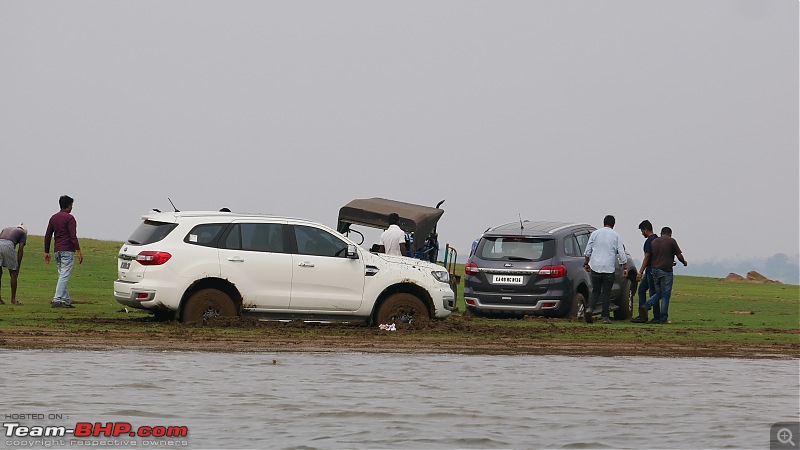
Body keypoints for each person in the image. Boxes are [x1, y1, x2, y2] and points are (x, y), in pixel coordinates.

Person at [583, 215, 628, 324]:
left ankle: (590, 309)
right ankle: (605, 317)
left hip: (595, 267)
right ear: (613, 224)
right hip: (608, 268)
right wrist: (625, 267)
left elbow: (587, 251)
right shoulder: (616, 235)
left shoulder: (595, 234)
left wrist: (586, 263)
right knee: (607, 293)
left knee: (595, 290)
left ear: (603, 223)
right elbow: (621, 252)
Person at [639, 227, 687, 324]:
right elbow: (679, 255)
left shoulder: (654, 242)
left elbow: (656, 257)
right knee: (665, 295)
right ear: (670, 233)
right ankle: (663, 318)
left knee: (659, 293)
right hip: (666, 271)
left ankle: (646, 305)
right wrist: (684, 262)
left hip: (655, 271)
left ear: (661, 233)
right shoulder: (671, 241)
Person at [44, 195, 83, 308]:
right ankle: (57, 299)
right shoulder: (70, 218)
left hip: (57, 250)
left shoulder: (53, 218)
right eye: (71, 205)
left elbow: (47, 235)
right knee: (64, 275)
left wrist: (46, 251)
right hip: (67, 250)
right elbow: (73, 236)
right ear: (69, 206)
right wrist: (78, 250)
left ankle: (65, 301)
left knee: (62, 274)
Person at [631, 220, 660, 323]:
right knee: (642, 290)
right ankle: (643, 313)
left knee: (652, 293)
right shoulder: (657, 239)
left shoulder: (649, 241)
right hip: (655, 269)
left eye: (642, 231)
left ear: (646, 230)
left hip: (650, 270)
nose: (642, 233)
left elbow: (647, 257)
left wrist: (640, 271)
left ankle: (654, 316)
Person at [0, 224, 27, 305]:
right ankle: (13, 300)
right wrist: (17, 266)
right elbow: (20, 249)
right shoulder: (22, 233)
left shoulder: (6, 228)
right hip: (8, 245)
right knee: (13, 274)